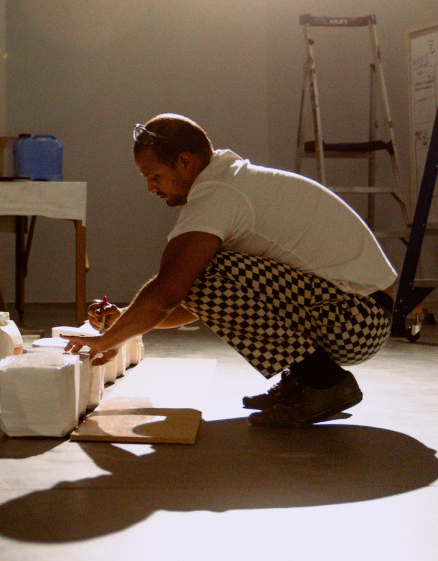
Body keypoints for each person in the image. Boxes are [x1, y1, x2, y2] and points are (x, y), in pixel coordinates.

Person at [65, 114, 397, 427]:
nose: (151, 189)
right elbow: (199, 303)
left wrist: (110, 340)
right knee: (201, 274)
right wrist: (124, 321)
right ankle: (304, 381)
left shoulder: (217, 194)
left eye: (155, 177)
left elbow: (170, 292)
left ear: (185, 162)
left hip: (358, 319)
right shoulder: (227, 177)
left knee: (200, 272)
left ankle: (324, 383)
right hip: (360, 311)